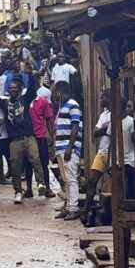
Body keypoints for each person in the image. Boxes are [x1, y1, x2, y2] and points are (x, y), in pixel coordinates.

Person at [0, 73, 45, 204]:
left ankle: (40, 183)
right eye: (10, 88)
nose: (12, 90)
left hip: (29, 137)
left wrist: (31, 74)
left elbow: (32, 89)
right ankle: (17, 191)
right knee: (15, 166)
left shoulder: (25, 100)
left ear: (20, 90)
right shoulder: (5, 103)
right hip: (14, 140)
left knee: (35, 159)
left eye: (15, 88)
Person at [53, 81, 83, 220]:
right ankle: (69, 206)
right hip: (61, 147)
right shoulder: (62, 106)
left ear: (61, 91)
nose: (55, 95)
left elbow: (75, 127)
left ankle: (74, 208)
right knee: (66, 179)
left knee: (71, 179)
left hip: (67, 147)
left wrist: (70, 147)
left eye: (56, 92)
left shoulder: (73, 104)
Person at [29, 85, 56, 198]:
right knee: (29, 164)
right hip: (30, 136)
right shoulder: (25, 103)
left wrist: (52, 136)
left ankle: (48, 188)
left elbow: (49, 119)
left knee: (44, 163)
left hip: (41, 136)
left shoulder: (43, 102)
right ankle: (29, 189)